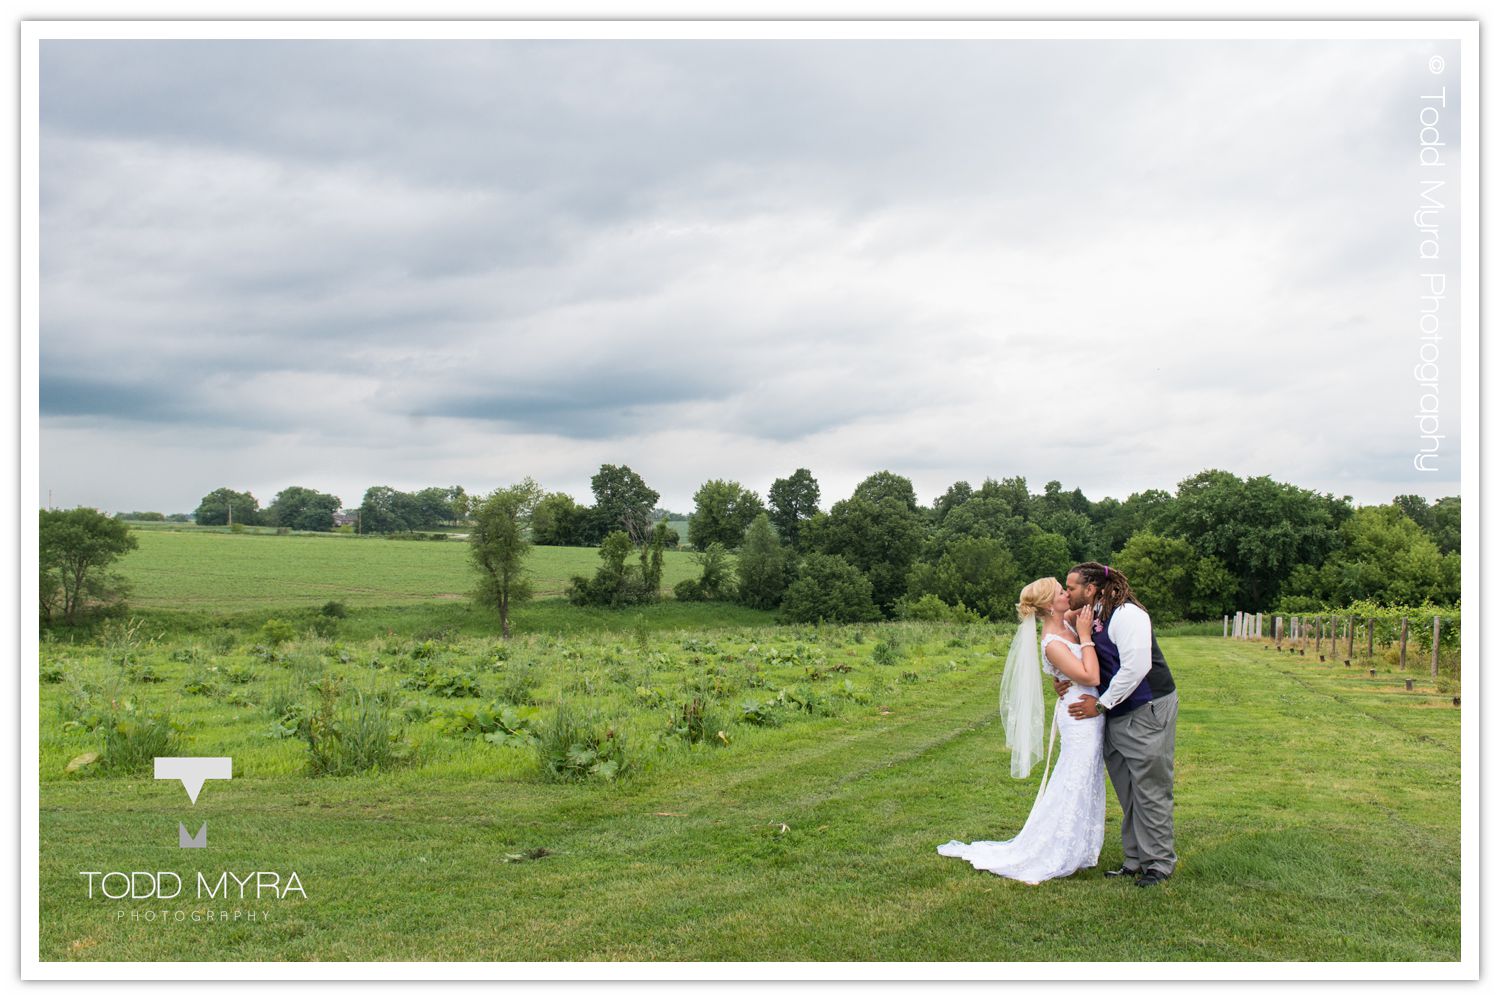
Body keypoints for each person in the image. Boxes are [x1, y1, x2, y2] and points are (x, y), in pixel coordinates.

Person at [936, 577, 1105, 884]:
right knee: (1074, 778)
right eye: (1061, 592)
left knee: (1084, 777)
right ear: (1049, 605)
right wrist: (1085, 638)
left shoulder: (1066, 621)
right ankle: (1055, 848)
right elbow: (1091, 675)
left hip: (1088, 713)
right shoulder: (1053, 642)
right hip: (1080, 719)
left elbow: (1089, 606)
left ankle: (1078, 845)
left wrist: (1079, 633)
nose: (1068, 594)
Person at [1056, 561, 1179, 887]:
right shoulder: (1091, 616)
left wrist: (1100, 704)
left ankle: (1159, 864)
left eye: (1071, 588)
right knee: (1127, 789)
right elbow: (1087, 659)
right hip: (1116, 711)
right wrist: (1066, 681)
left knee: (1150, 788)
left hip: (1146, 708)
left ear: (1091, 589)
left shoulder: (1128, 616)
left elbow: (1135, 668)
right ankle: (1135, 859)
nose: (1066, 593)